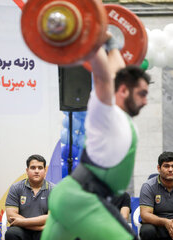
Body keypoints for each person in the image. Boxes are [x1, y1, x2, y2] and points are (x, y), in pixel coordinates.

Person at [41, 35, 150, 240]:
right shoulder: (104, 112)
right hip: (81, 199)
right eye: (142, 94)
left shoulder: (120, 115)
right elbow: (103, 76)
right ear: (124, 91)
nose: (145, 101)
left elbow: (117, 73)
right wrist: (94, 42)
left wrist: (112, 45)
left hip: (69, 197)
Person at [5, 154, 54, 240]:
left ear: (45, 171)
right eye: (33, 168)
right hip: (22, 229)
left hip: (42, 231)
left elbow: (51, 217)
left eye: (40, 168)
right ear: (27, 171)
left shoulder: (54, 189)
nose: (36, 171)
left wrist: (23, 222)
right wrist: (38, 227)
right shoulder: (16, 188)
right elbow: (11, 216)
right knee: (11, 233)